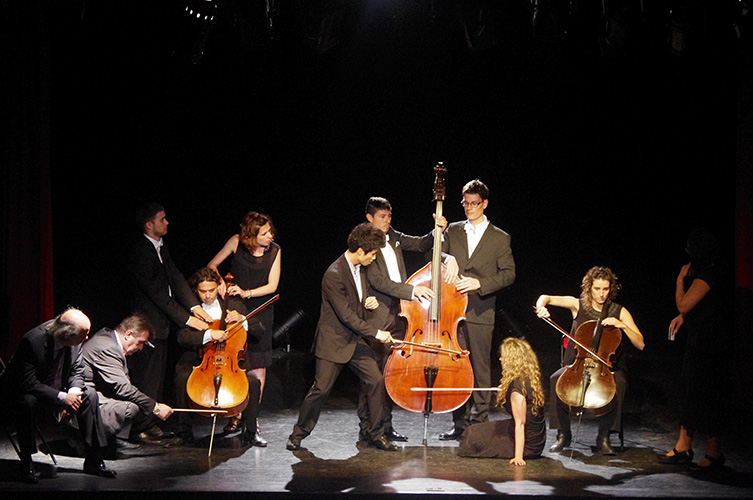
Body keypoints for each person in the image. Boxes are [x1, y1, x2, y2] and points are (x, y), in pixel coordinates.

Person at [286, 222, 398, 452]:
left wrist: (368, 302)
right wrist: (377, 333)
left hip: (354, 340)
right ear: (360, 251)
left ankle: (375, 433)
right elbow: (345, 315)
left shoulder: (361, 269)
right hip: (334, 340)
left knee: (375, 380)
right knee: (321, 389)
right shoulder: (334, 275)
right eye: (373, 253)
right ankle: (299, 433)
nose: (374, 258)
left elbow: (357, 301)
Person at [535, 266, 645, 455]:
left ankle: (604, 436)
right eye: (597, 289)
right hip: (577, 363)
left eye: (605, 289)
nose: (601, 294)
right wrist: (541, 307)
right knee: (555, 379)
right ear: (589, 288)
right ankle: (563, 434)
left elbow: (640, 343)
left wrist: (622, 326)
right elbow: (546, 297)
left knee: (619, 382)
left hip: (606, 366)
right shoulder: (578, 305)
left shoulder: (618, 311)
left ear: (611, 289)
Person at [358, 196, 442, 442]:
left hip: (399, 313)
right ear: (369, 218)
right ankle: (367, 427)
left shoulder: (392, 235)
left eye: (389, 216)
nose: (387, 221)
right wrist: (412, 291)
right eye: (382, 217)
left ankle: (385, 426)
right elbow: (379, 282)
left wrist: (437, 230)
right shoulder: (365, 242)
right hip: (377, 315)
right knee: (372, 375)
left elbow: (419, 244)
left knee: (390, 372)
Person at [438, 179, 516, 440]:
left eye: (473, 204)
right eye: (465, 203)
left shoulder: (500, 237)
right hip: (452, 310)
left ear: (484, 204)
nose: (468, 208)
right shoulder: (453, 230)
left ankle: (479, 422)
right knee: (455, 367)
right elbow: (438, 254)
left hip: (481, 311)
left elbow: (508, 275)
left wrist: (480, 283)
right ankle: (459, 423)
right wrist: (447, 258)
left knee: (480, 368)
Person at [0, 308, 116, 482]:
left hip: (56, 390)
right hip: (28, 393)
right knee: (27, 402)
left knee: (89, 395)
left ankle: (93, 459)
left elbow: (77, 370)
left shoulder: (75, 341)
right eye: (84, 334)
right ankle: (26, 463)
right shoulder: (33, 341)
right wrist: (62, 397)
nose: (86, 338)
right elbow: (27, 383)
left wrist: (74, 394)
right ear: (67, 336)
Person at [657, 229, 729, 471]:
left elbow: (684, 303)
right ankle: (684, 446)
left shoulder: (706, 275)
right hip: (701, 344)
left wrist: (679, 280)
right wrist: (683, 317)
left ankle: (713, 452)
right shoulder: (708, 274)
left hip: (708, 348)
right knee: (691, 394)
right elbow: (699, 308)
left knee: (704, 397)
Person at [127, 202, 212, 406]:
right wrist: (188, 319)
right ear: (149, 225)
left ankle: (153, 423)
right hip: (147, 325)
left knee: (157, 378)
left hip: (161, 325)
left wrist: (195, 307)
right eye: (162, 219)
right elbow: (158, 295)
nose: (167, 222)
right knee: (147, 378)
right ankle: (143, 427)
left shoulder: (161, 248)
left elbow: (176, 278)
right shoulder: (141, 253)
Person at [208, 211, 280, 440]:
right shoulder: (236, 241)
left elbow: (272, 286)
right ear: (252, 234)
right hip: (234, 309)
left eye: (270, 231)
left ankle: (252, 418)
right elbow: (212, 266)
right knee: (235, 361)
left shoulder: (275, 251)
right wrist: (220, 282)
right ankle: (234, 415)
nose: (270, 236)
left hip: (261, 311)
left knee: (258, 363)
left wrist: (246, 292)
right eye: (265, 233)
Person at [174, 267, 265, 446]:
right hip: (200, 360)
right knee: (182, 376)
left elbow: (259, 331)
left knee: (254, 382)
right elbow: (182, 337)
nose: (207, 295)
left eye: (211, 290)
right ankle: (183, 431)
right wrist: (208, 335)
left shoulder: (234, 305)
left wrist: (242, 320)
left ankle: (251, 432)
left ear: (218, 288)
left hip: (232, 362)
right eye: (203, 291)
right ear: (196, 291)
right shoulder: (193, 309)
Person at [82, 313, 178, 447]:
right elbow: (123, 389)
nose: (140, 348)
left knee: (136, 399)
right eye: (141, 342)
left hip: (97, 391)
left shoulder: (109, 338)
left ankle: (116, 438)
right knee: (131, 407)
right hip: (84, 396)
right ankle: (101, 441)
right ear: (128, 334)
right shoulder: (108, 348)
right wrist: (156, 408)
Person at [458, 337, 546, 464]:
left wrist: (518, 457)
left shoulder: (517, 388)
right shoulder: (526, 378)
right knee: (473, 431)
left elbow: (520, 424)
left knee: (472, 440)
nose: (500, 359)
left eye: (503, 356)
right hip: (530, 435)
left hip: (527, 444)